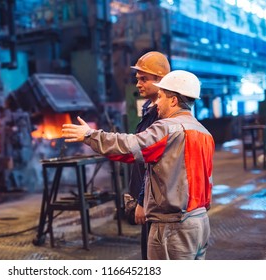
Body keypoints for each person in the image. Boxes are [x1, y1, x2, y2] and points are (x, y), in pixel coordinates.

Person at [61, 70, 215, 260]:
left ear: (174, 100)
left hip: (173, 227)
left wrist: (90, 135)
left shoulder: (167, 129)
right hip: (200, 223)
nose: (156, 103)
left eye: (160, 97)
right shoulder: (204, 133)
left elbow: (128, 148)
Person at [127, 51, 170, 260]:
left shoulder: (162, 118)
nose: (138, 84)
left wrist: (143, 201)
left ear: (161, 80)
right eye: (137, 79)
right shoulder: (149, 110)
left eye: (144, 79)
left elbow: (153, 164)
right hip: (150, 200)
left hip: (156, 203)